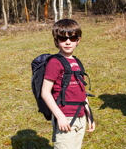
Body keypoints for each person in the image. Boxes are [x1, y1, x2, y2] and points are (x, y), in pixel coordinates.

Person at [41, 19, 95, 149]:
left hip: (80, 116)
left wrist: (89, 114)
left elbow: (82, 91)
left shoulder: (77, 62)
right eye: (62, 38)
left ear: (78, 40)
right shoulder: (55, 62)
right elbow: (45, 92)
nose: (68, 42)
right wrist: (60, 116)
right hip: (65, 117)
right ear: (56, 41)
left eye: (73, 38)